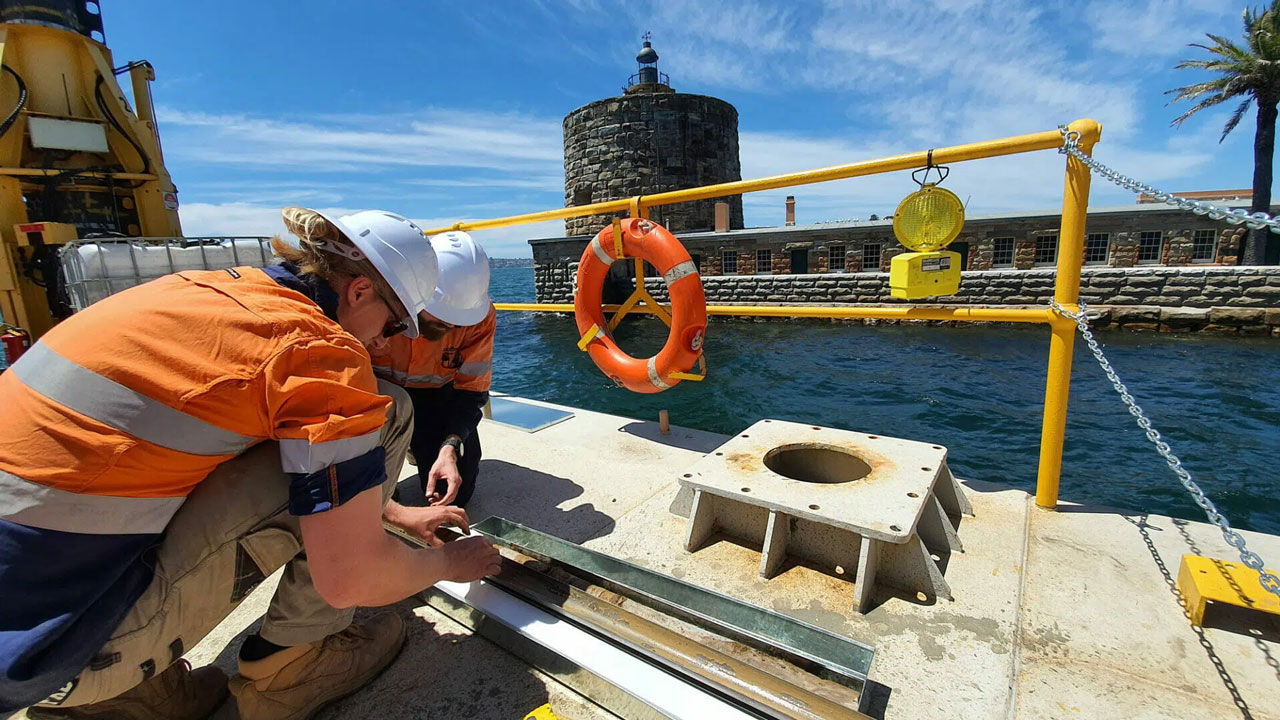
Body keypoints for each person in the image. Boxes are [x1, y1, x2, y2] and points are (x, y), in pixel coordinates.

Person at [0, 207, 502, 720]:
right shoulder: (319, 352)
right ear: (358, 292)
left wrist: (390, 511)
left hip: (24, 619)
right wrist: (447, 564)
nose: (382, 341)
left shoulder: (201, 289)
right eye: (395, 323)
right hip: (51, 655)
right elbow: (351, 577)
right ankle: (291, 670)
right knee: (389, 409)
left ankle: (134, 698)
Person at [370, 230, 495, 508]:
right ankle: (391, 459)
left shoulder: (480, 318)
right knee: (364, 496)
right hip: (372, 396)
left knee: (452, 496)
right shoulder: (377, 304)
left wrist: (450, 446)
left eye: (459, 322)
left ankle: (419, 446)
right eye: (443, 318)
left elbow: (472, 391)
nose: (452, 327)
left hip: (437, 398)